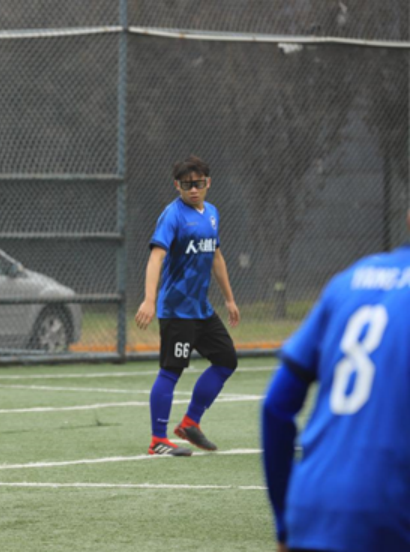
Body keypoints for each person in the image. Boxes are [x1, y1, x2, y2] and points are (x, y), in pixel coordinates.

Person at [262, 210, 410, 552]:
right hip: (390, 514)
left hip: (312, 510)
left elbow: (276, 406)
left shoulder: (348, 281)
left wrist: (284, 522)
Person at [134, 155, 240, 456]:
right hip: (177, 310)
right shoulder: (172, 216)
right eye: (186, 185)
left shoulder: (212, 213)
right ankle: (158, 440)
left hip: (201, 310)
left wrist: (229, 299)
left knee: (226, 360)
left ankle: (190, 423)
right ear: (177, 186)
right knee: (171, 371)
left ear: (208, 183)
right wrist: (150, 299)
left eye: (198, 183)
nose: (193, 189)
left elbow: (216, 257)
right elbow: (156, 257)